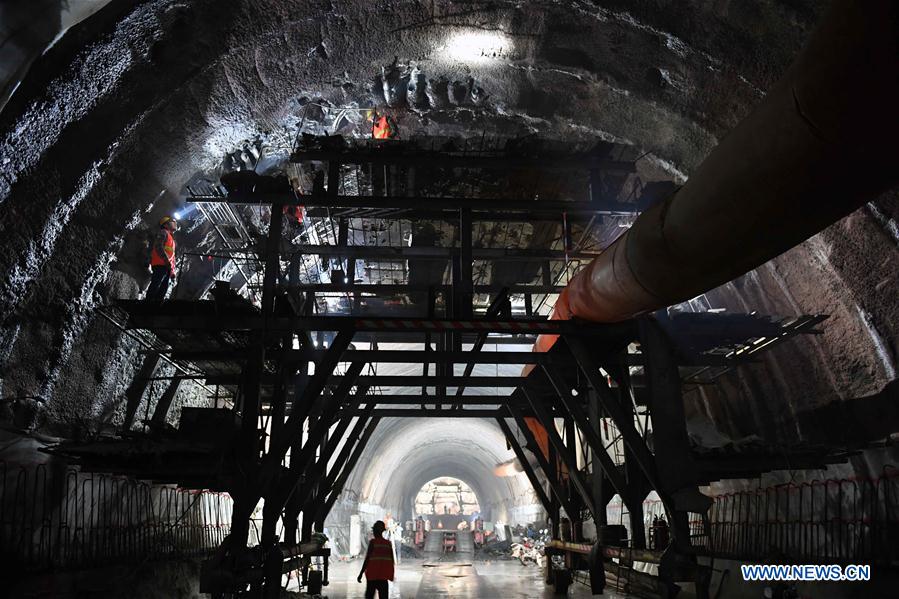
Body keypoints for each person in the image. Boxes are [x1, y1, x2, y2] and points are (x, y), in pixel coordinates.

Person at [357, 520, 394, 599]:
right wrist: (391, 575)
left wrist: (360, 574)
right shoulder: (388, 544)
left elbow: (367, 559)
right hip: (383, 577)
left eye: (373, 530)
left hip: (372, 576)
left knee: (369, 596)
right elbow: (392, 561)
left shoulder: (373, 543)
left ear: (375, 531)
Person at [146, 216, 178, 301]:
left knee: (163, 289)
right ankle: (147, 306)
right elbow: (158, 246)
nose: (175, 223)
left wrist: (172, 270)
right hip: (160, 264)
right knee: (156, 285)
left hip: (166, 266)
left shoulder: (171, 238)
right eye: (173, 221)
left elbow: (172, 256)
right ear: (166, 225)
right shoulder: (163, 232)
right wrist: (166, 261)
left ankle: (155, 308)